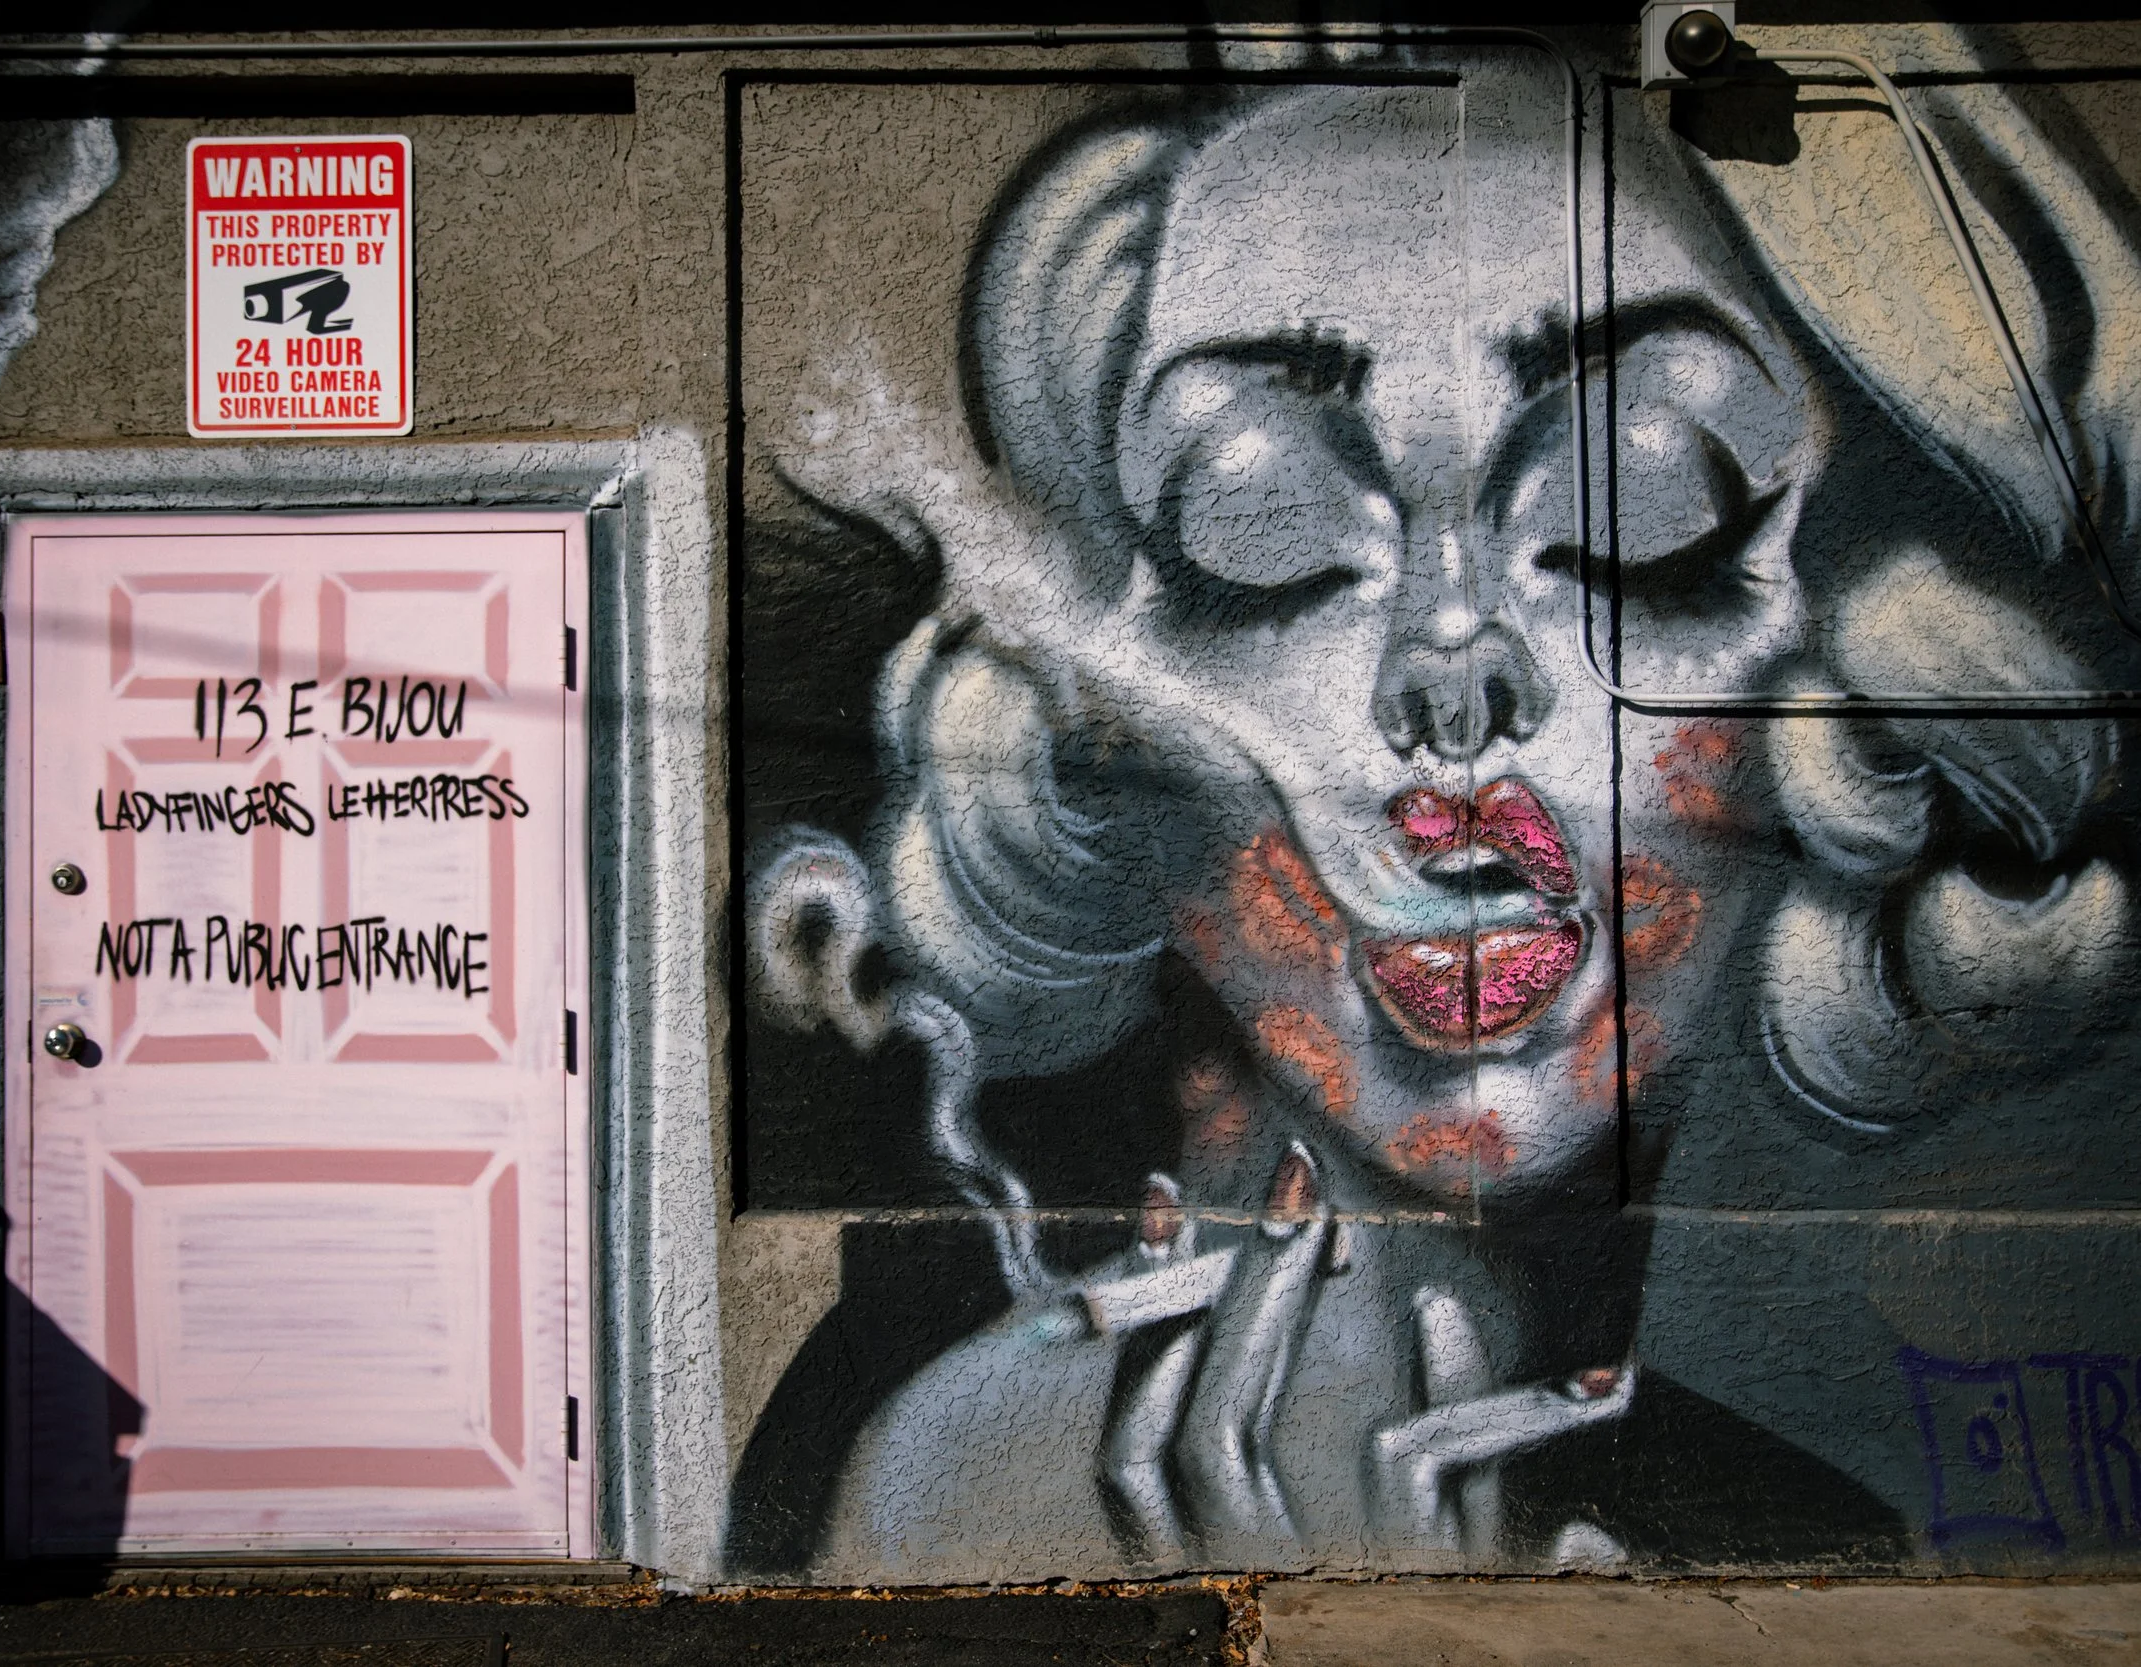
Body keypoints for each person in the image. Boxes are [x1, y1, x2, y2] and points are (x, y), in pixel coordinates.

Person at [742, 59, 2137, 1580]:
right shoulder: (951, 1480)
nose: (1448, 672)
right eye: (1263, 520)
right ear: (1099, 705)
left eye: (1634, 505)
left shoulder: (1828, 1504)